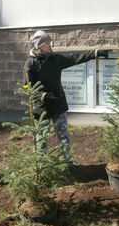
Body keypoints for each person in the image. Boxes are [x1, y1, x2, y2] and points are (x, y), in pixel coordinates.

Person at [24, 30, 108, 171]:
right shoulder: (30, 64)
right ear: (39, 46)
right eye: (47, 43)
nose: (50, 45)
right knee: (41, 139)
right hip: (41, 109)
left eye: (50, 42)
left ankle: (68, 162)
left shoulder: (55, 58)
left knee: (63, 136)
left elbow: (75, 57)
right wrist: (43, 96)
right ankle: (41, 166)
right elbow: (27, 87)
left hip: (58, 105)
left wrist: (95, 53)